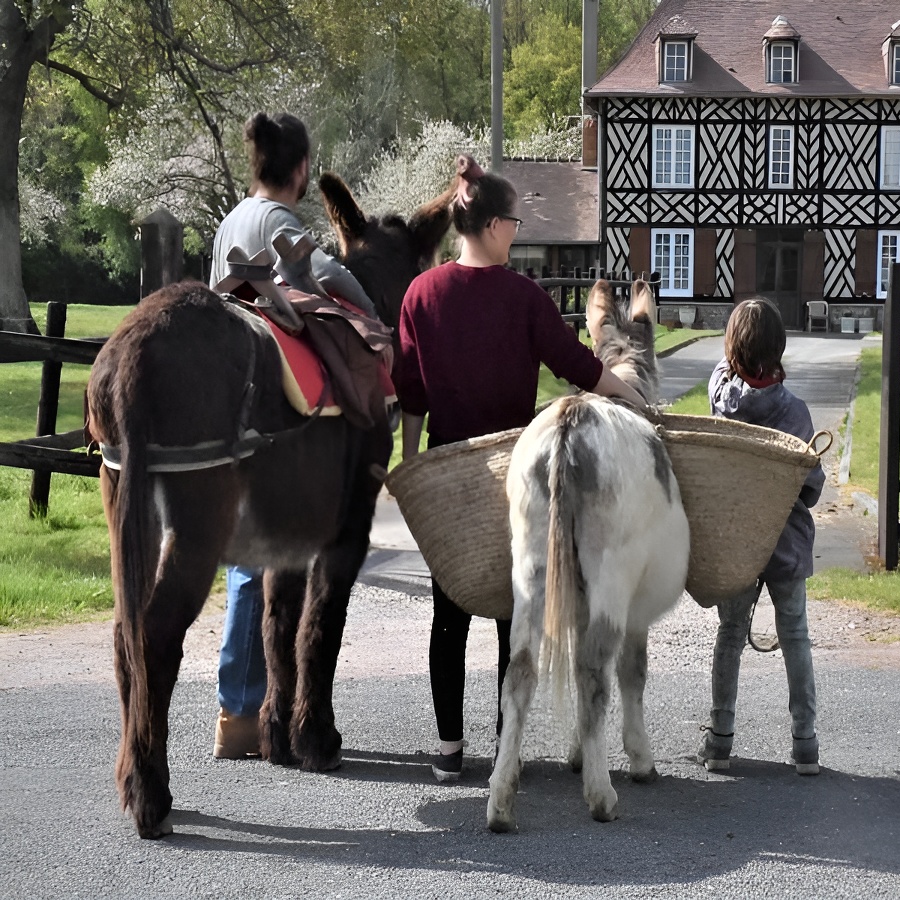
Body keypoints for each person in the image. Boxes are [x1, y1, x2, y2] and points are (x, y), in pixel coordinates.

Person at [395, 154, 646, 783]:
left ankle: (450, 753)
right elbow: (576, 365)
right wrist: (636, 398)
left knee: (447, 613)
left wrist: (410, 465)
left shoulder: (420, 294)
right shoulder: (525, 297)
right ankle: (508, 745)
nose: (518, 231)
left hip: (450, 471)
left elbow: (409, 390)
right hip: (519, 470)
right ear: (488, 225)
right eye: (513, 221)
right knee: (517, 609)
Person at [209, 112, 377, 759]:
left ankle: (238, 711)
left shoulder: (230, 222)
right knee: (260, 571)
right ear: (302, 170)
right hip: (269, 409)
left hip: (224, 402)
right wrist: (368, 309)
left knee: (242, 567)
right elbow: (328, 282)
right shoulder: (281, 226)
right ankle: (248, 710)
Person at [698, 298, 826, 775]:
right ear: (781, 350)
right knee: (795, 635)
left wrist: (736, 358)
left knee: (730, 635)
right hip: (786, 542)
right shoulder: (795, 414)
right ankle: (805, 743)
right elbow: (811, 488)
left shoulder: (720, 400)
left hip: (735, 542)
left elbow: (722, 372)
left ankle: (720, 740)